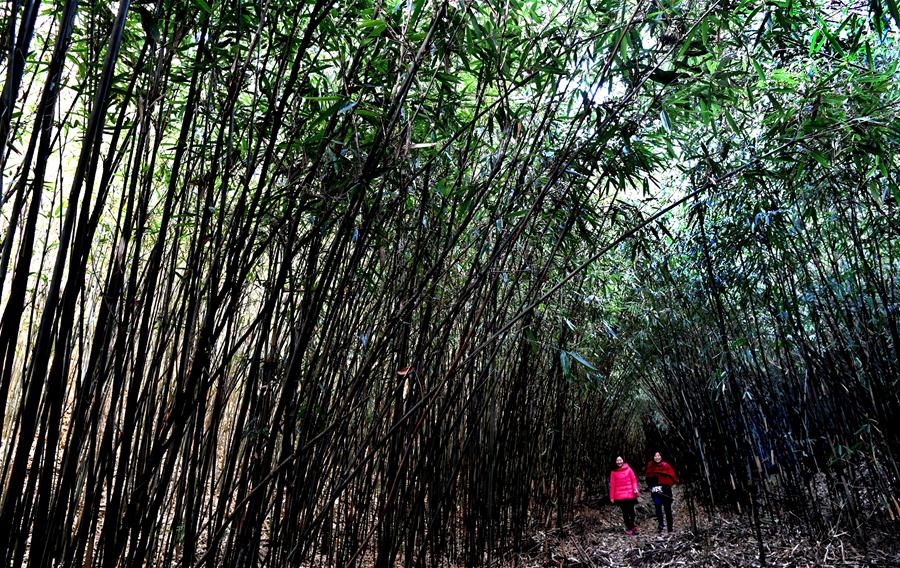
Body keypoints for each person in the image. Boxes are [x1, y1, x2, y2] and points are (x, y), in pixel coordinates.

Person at [644, 451, 678, 533]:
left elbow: (673, 478)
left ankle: (670, 528)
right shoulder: (650, 466)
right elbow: (648, 479)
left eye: (658, 455)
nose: (657, 457)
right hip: (656, 492)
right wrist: (652, 487)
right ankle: (660, 525)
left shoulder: (666, 466)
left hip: (666, 491)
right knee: (658, 507)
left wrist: (664, 486)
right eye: (655, 456)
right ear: (653, 457)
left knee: (667, 509)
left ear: (661, 456)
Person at [609, 456, 640, 535]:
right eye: (617, 460)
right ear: (615, 462)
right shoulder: (613, 472)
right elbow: (612, 485)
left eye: (620, 460)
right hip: (620, 496)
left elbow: (634, 480)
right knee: (625, 513)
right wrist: (612, 497)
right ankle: (629, 528)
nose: (619, 462)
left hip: (630, 495)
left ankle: (632, 526)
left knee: (632, 512)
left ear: (623, 460)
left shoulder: (629, 469)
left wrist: (635, 488)